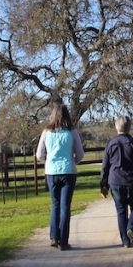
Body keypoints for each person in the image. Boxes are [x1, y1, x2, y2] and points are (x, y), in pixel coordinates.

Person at [35, 102, 85, 250]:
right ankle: (63, 241)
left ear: (52, 115)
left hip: (51, 172)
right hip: (68, 171)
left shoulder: (46, 132)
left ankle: (53, 237)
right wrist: (72, 161)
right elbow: (80, 154)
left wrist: (48, 161)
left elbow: (39, 155)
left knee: (55, 204)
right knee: (65, 206)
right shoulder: (72, 132)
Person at [100, 115, 133, 247]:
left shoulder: (111, 144)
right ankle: (132, 229)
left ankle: (125, 241)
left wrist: (103, 185)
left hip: (115, 181)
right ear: (129, 127)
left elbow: (105, 166)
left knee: (121, 210)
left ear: (116, 127)